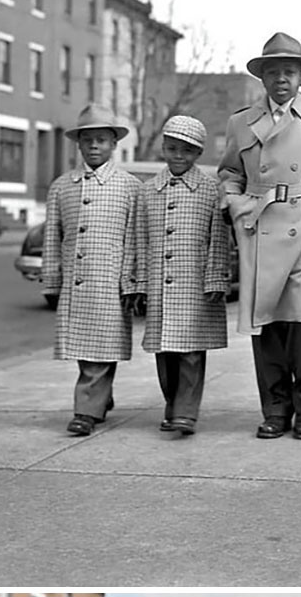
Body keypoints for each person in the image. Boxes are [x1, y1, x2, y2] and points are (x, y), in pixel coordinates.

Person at [218, 32, 301, 440]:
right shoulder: (240, 122)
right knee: (269, 325)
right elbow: (229, 173)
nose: (281, 79)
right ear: (262, 77)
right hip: (260, 226)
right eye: (273, 71)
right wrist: (237, 204)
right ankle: (275, 409)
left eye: (289, 71)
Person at [42, 103, 141, 437]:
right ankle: (100, 397)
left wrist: (131, 282)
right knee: (88, 349)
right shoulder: (62, 186)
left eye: (102, 140)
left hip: (109, 281)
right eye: (88, 141)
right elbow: (52, 236)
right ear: (79, 145)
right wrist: (52, 278)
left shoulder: (129, 187)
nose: (94, 146)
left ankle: (86, 410)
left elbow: (134, 239)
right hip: (75, 281)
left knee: (101, 346)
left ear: (114, 144)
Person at [136, 115, 231, 436]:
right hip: (158, 282)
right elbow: (138, 238)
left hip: (194, 284)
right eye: (172, 148)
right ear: (163, 147)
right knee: (165, 352)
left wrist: (217, 277)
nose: (179, 156)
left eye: (187, 151)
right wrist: (136, 282)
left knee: (191, 351)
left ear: (198, 154)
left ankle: (186, 412)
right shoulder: (148, 191)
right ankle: (172, 404)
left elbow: (219, 239)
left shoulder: (210, 190)